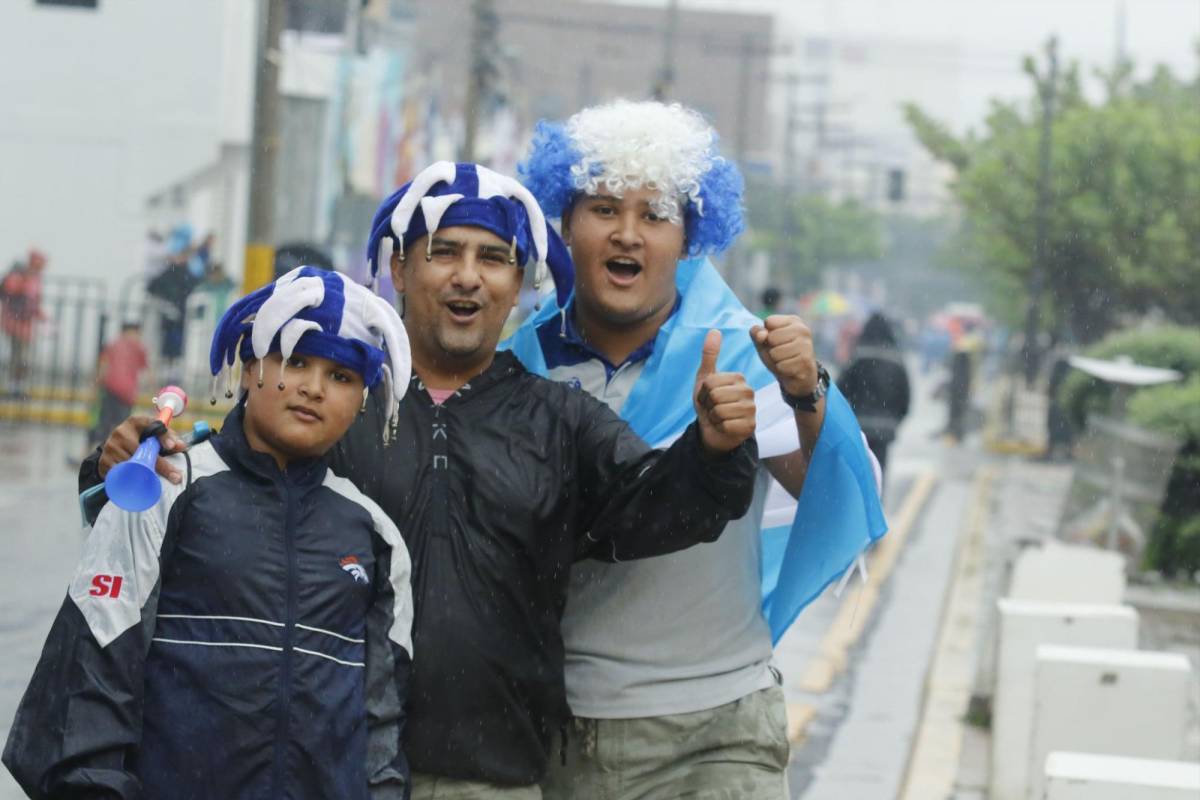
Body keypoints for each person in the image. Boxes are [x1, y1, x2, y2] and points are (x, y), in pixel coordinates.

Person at [85, 161, 760, 799]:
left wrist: (713, 448)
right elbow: (194, 506)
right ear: (402, 268)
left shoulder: (563, 423)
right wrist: (115, 469)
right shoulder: (329, 406)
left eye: (493, 258)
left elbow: (664, 507)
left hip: (492, 779)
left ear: (519, 281)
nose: (469, 277)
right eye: (445, 252)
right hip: (326, 769)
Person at [510, 99, 886, 799]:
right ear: (564, 220)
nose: (628, 234)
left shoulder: (745, 350)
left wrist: (807, 393)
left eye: (655, 214)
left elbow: (839, 489)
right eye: (602, 209)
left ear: (689, 236)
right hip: (558, 730)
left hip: (718, 729)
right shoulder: (514, 365)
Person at [8, 267, 415, 799]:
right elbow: (89, 688)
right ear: (249, 368)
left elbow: (381, 729)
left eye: (341, 376)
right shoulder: (167, 491)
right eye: (295, 361)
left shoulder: (375, 535)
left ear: (363, 397)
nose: (314, 388)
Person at [837, 311, 912, 481]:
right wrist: (894, 421)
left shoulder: (857, 358)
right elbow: (905, 398)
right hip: (884, 429)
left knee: (856, 476)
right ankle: (876, 505)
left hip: (858, 426)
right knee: (878, 474)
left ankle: (857, 506)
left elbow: (839, 391)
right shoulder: (896, 360)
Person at [89, 320, 149, 451]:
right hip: (127, 393)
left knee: (103, 423)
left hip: (110, 389)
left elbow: (103, 367)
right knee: (122, 425)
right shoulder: (139, 347)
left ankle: (98, 453)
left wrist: (96, 385)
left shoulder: (113, 344)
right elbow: (147, 372)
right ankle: (117, 454)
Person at [1, 249, 47, 397]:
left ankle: (18, 387)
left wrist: (39, 314)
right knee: (19, 356)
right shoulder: (21, 273)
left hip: (25, 323)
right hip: (15, 321)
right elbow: (12, 289)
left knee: (23, 356)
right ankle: (15, 388)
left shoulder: (34, 277)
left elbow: (34, 300)